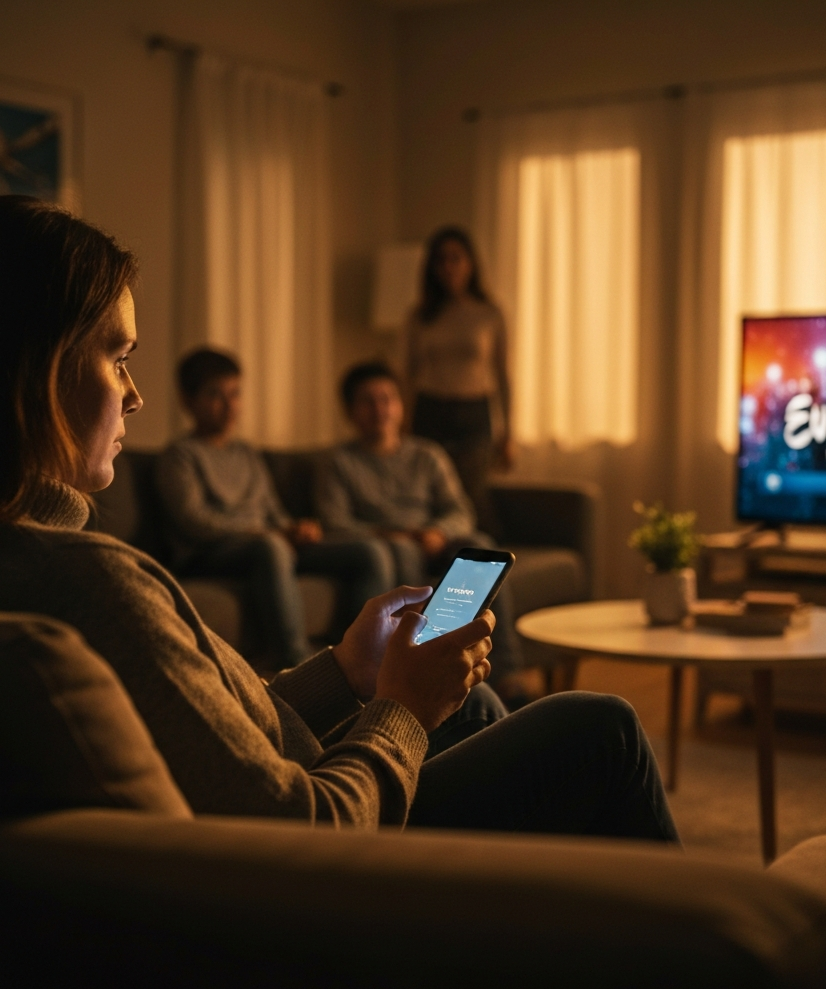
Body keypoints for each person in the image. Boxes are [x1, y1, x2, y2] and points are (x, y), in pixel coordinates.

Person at [0, 195, 678, 842]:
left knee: (472, 705)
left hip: (306, 769)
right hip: (340, 861)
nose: (136, 396)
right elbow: (304, 831)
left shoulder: (56, 567)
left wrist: (348, 671)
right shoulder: (99, 587)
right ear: (40, 370)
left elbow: (222, 727)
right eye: (119, 359)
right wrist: (403, 710)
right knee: (603, 727)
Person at [155, 349, 390, 670]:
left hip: (266, 542)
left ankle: (362, 656)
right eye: (215, 395)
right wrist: (268, 533)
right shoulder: (179, 456)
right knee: (272, 546)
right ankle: (294, 659)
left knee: (369, 551)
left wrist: (294, 528)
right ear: (187, 400)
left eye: (235, 394)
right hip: (208, 553)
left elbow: (272, 511)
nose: (228, 405)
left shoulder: (246, 454)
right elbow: (195, 522)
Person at [314, 360, 529, 704]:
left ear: (400, 405)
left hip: (433, 541)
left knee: (481, 545)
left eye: (387, 398)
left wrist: (439, 533)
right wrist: (389, 535)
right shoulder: (338, 462)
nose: (379, 409)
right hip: (387, 544)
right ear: (350, 410)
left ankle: (507, 676)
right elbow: (335, 522)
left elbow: (460, 510)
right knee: (398, 552)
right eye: (368, 401)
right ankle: (417, 661)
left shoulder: (427, 454)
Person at [405, 226, 511, 535]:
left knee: (473, 496)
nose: (449, 267)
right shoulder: (421, 315)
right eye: (441, 261)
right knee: (431, 495)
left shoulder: (489, 313)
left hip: (474, 412)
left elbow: (503, 374)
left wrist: (508, 430)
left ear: (470, 263)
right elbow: (408, 372)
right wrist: (403, 421)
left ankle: (485, 567)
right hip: (430, 409)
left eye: (456, 258)